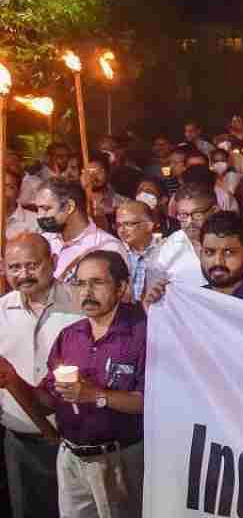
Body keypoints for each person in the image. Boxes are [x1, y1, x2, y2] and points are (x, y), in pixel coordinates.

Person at [1, 250, 145, 518]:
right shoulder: (71, 336)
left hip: (119, 460)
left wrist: (95, 395)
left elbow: (150, 403)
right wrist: (12, 379)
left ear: (121, 286)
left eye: (97, 282)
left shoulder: (143, 333)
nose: (86, 292)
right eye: (79, 283)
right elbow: (46, 401)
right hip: (71, 459)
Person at [0, 233, 82, 518]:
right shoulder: (1, 310)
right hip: (19, 443)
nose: (24, 275)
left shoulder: (82, 304)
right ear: (3, 268)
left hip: (75, 446)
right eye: (14, 267)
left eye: (32, 266)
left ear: (54, 262)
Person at [147, 210, 243, 311]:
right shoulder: (192, 302)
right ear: (200, 254)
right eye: (209, 252)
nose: (217, 261)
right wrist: (155, 308)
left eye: (228, 253)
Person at [33, 179, 128, 282]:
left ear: (70, 207)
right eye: (38, 209)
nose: (40, 216)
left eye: (46, 209)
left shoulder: (108, 247)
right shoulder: (43, 241)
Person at [144, 183, 215, 288]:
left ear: (214, 211)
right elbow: (153, 295)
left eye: (197, 214)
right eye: (183, 215)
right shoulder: (165, 250)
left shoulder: (233, 241)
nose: (190, 221)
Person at [115, 200, 162, 302]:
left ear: (149, 225)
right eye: (118, 225)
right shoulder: (116, 252)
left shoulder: (166, 250)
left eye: (128, 224)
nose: (122, 230)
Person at [81, 151, 127, 233]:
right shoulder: (74, 202)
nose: (93, 177)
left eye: (99, 172)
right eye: (88, 172)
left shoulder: (123, 203)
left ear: (108, 173)